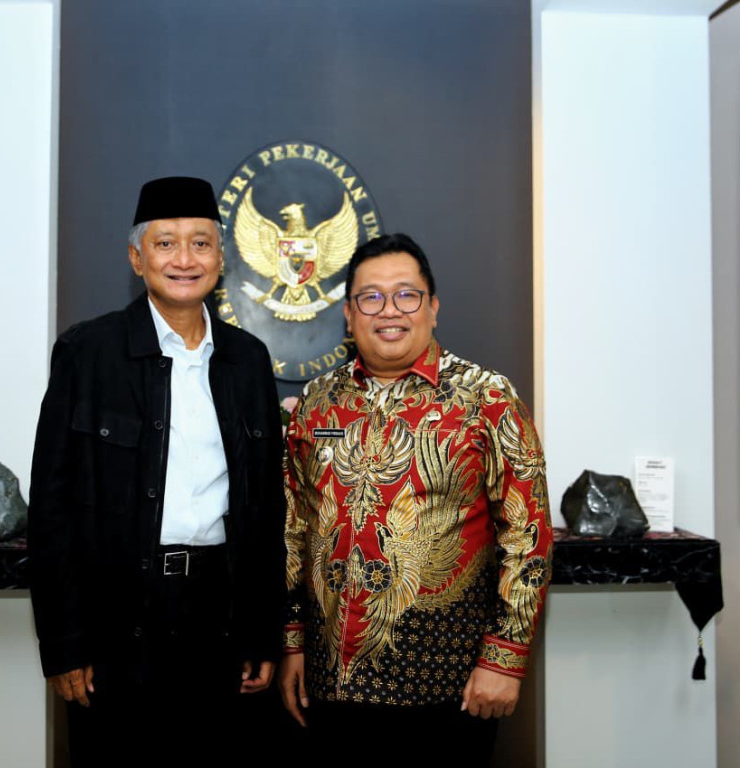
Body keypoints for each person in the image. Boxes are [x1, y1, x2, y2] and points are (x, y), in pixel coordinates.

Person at [28, 176, 285, 766]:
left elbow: (266, 508)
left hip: (220, 617)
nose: (184, 260)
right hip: (119, 623)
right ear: (136, 257)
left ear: (221, 258)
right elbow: (52, 507)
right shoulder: (88, 353)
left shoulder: (247, 360)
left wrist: (262, 631)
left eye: (200, 243)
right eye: (165, 243)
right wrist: (64, 645)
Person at [278, 233, 553, 764]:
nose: (390, 310)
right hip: (330, 690)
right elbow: (293, 529)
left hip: (448, 689)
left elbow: (529, 534)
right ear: (349, 314)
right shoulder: (316, 402)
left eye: (406, 295)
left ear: (433, 307)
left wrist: (505, 656)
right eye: (371, 297)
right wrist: (292, 641)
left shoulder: (487, 398)